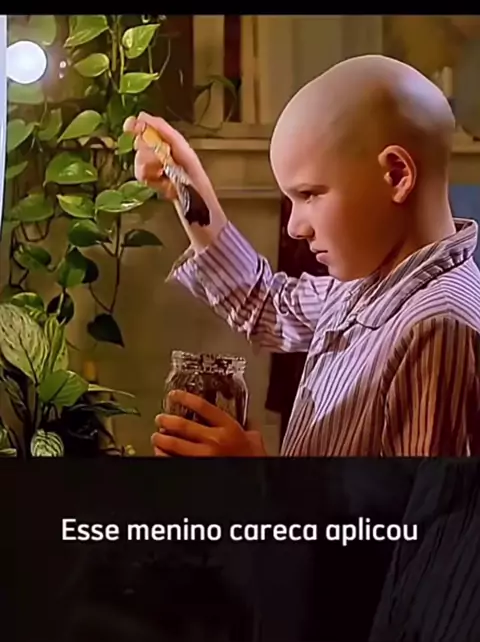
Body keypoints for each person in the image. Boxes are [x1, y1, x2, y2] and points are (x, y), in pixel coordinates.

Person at [126, 54, 480, 458]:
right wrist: (184, 182)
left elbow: (422, 503)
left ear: (397, 175)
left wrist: (256, 478)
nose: (295, 227)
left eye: (309, 194)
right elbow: (264, 304)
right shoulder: (365, 286)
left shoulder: (438, 328)